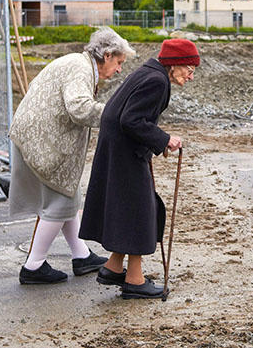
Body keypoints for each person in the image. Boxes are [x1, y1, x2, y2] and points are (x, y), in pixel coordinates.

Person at [9, 26, 136, 284]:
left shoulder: (79, 63)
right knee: (59, 204)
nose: (120, 69)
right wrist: (114, 117)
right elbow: (79, 107)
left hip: (38, 137)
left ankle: (81, 255)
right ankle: (33, 266)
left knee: (69, 196)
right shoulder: (80, 68)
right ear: (107, 55)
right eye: (119, 62)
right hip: (44, 141)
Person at [79, 38, 197, 299]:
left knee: (131, 208)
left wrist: (157, 140)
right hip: (125, 152)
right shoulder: (157, 81)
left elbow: (128, 116)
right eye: (189, 69)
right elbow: (131, 119)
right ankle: (134, 280)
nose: (191, 76)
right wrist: (164, 139)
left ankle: (112, 266)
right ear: (175, 64)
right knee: (141, 211)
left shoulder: (149, 72)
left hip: (118, 149)